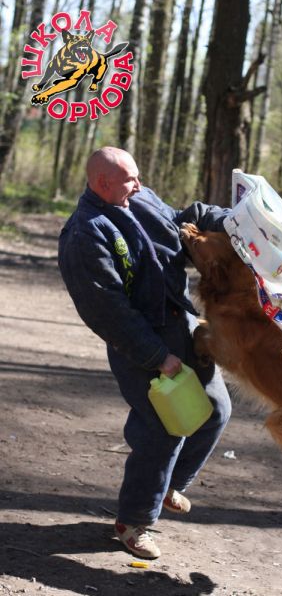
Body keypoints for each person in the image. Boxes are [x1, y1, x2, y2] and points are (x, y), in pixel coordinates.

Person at [58, 146, 231, 559]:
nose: (139, 185)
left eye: (137, 176)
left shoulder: (141, 197)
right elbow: (107, 310)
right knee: (161, 430)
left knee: (216, 410)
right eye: (129, 179)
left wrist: (231, 221)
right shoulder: (84, 234)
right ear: (102, 183)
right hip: (141, 343)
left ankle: (170, 485)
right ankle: (133, 522)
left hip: (182, 324)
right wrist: (157, 356)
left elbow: (182, 221)